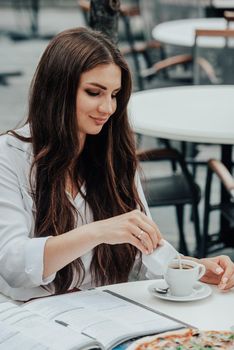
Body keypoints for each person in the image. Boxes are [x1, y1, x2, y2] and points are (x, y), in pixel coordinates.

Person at [0, 27, 233, 301]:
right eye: (94, 92)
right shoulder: (9, 155)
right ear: (57, 90)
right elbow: (12, 265)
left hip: (104, 313)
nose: (108, 108)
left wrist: (192, 268)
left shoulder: (113, 154)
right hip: (33, 319)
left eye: (114, 94)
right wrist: (98, 232)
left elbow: (140, 252)